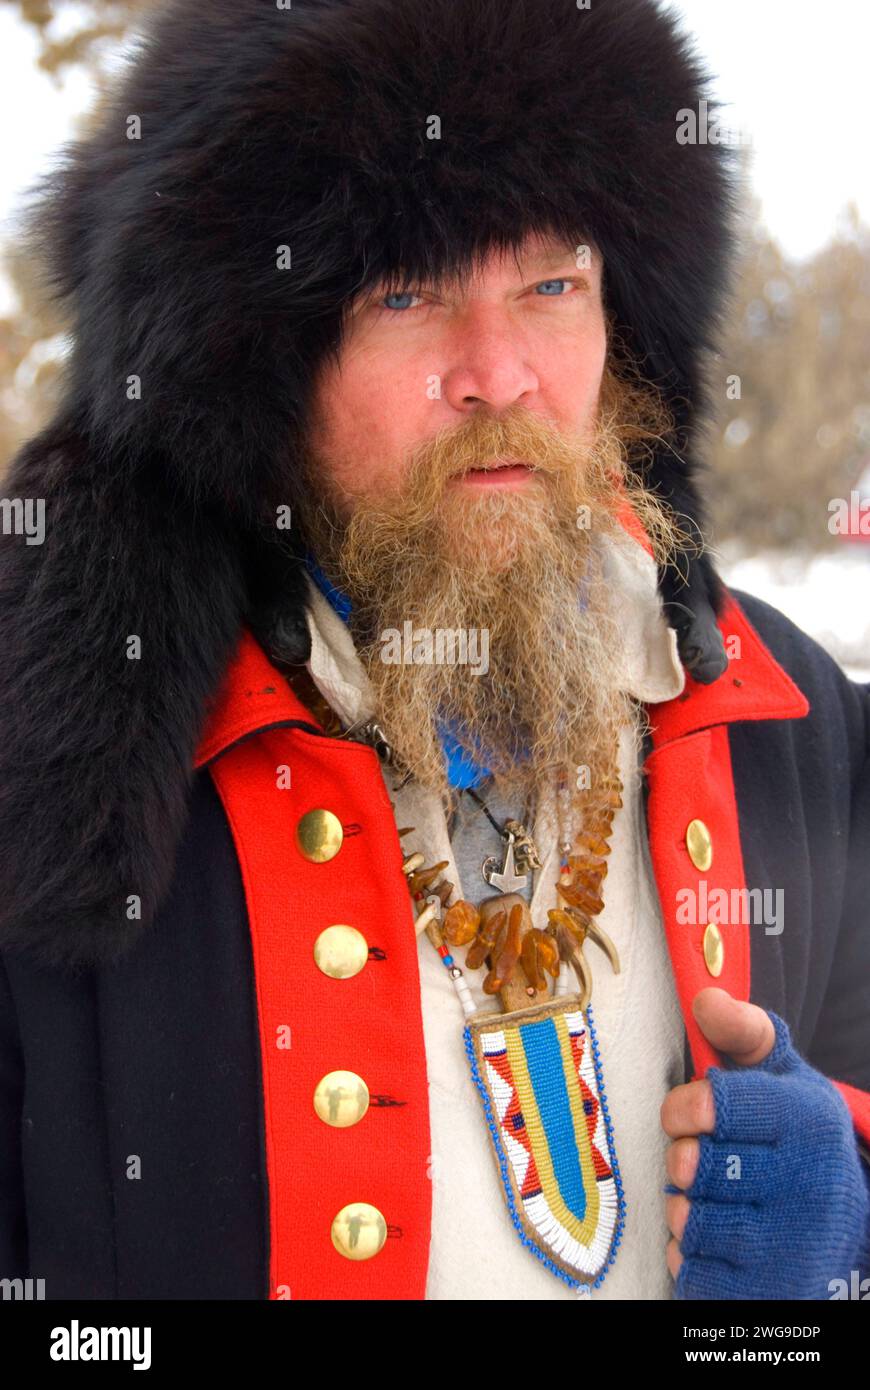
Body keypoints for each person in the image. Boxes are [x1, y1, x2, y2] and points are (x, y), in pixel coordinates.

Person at [0, 0, 868, 1302]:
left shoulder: (793, 726)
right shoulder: (56, 776)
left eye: (551, 284)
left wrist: (843, 1231)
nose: (499, 373)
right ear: (263, 362)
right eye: (405, 292)